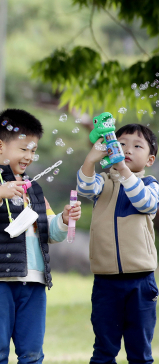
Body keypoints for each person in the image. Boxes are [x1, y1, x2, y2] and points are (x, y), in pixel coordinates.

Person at [0, 108, 81, 364]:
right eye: (23, 148)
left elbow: (49, 231)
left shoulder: (35, 190)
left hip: (34, 282)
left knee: (32, 353)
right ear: (0, 146)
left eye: (33, 150)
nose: (29, 156)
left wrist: (63, 219)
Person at [76, 123, 159, 364]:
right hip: (106, 280)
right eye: (121, 144)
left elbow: (146, 204)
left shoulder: (150, 185)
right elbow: (85, 187)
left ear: (150, 159)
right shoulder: (102, 183)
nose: (127, 149)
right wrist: (90, 161)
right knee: (104, 348)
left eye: (137, 146)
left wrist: (124, 170)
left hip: (141, 280)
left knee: (140, 351)